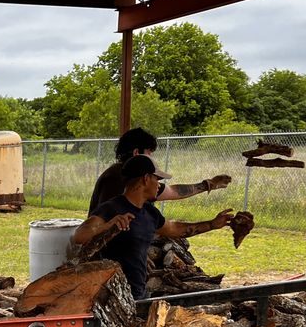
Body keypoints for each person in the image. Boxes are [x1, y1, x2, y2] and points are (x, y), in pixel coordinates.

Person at [72, 154, 236, 300]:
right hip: (112, 296)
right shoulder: (111, 208)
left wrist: (212, 224)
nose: (159, 185)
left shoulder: (149, 212)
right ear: (145, 179)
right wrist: (108, 226)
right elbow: (79, 236)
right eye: (157, 179)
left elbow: (175, 229)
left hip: (138, 293)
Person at [87, 127, 232, 215]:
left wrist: (208, 184)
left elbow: (173, 191)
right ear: (137, 153)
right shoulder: (118, 177)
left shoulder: (132, 176)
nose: (152, 157)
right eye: (149, 152)